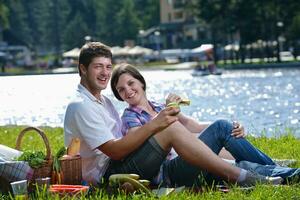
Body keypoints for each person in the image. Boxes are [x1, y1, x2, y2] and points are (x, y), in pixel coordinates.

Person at [64, 42, 282, 188]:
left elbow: (191, 126)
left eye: (107, 67)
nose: (104, 73)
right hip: (108, 176)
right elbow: (115, 150)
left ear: (142, 82)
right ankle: (240, 176)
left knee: (220, 127)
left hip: (123, 164)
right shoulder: (81, 105)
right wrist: (157, 124)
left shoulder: (103, 101)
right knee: (170, 127)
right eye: (97, 67)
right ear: (83, 69)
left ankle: (272, 170)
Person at [110, 63, 300, 186]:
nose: (128, 90)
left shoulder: (158, 106)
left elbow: (195, 126)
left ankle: (290, 174)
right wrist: (165, 114)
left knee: (227, 132)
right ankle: (270, 166)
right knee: (227, 142)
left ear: (141, 83)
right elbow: (147, 146)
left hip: (192, 159)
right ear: (119, 96)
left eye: (131, 83)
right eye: (121, 90)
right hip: (170, 171)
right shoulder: (129, 117)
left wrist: (235, 125)